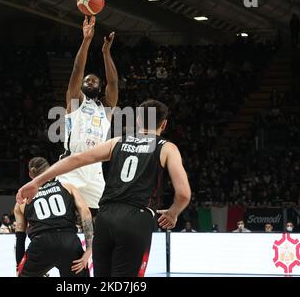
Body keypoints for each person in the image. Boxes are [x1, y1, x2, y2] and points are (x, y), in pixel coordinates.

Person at [18, 100, 191, 277]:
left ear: (138, 120)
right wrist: (173, 212)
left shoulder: (117, 142)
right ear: (164, 124)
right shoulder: (167, 148)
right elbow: (184, 194)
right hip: (136, 219)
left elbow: (75, 160)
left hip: (105, 217)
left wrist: (37, 182)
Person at [59, 15, 118, 217]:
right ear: (82, 86)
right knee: (60, 216)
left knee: (105, 215)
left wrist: (106, 52)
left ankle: (96, 247)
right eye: (87, 80)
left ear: (100, 87)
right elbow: (77, 69)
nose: (91, 81)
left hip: (95, 170)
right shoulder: (75, 101)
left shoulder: (106, 108)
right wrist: (86, 40)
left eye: (95, 81)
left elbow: (114, 84)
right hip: (71, 167)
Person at [14, 157, 93, 277]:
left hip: (41, 244)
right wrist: (89, 249)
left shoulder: (23, 199)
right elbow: (86, 212)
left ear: (30, 174)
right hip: (69, 242)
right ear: (50, 170)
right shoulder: (68, 187)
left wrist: (19, 264)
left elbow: (20, 233)